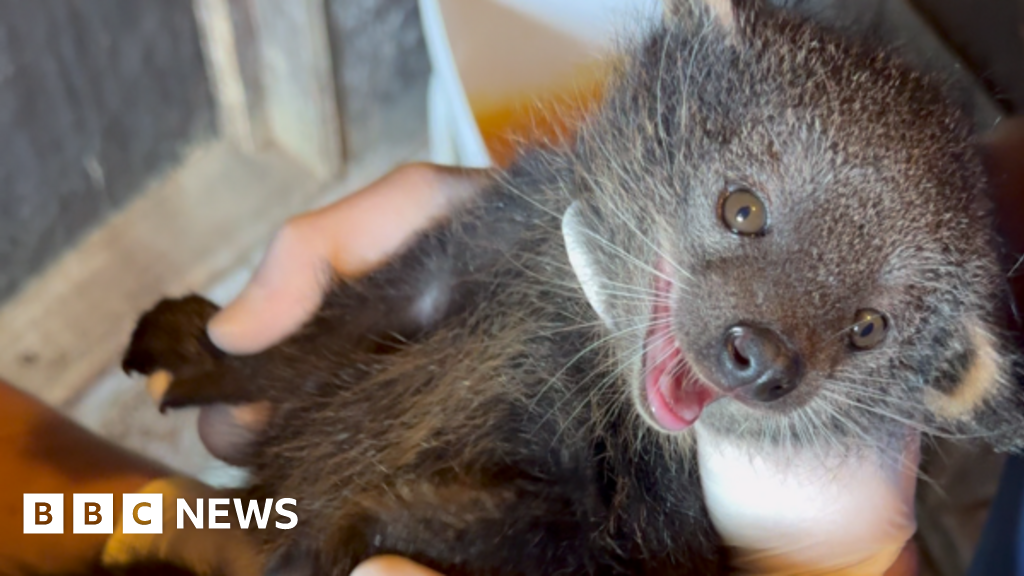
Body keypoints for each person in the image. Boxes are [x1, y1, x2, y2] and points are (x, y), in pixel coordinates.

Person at [5, 116, 1024, 575]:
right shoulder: (575, 209)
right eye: (746, 208)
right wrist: (250, 361)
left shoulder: (728, 482)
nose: (755, 346)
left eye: (862, 328)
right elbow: (413, 288)